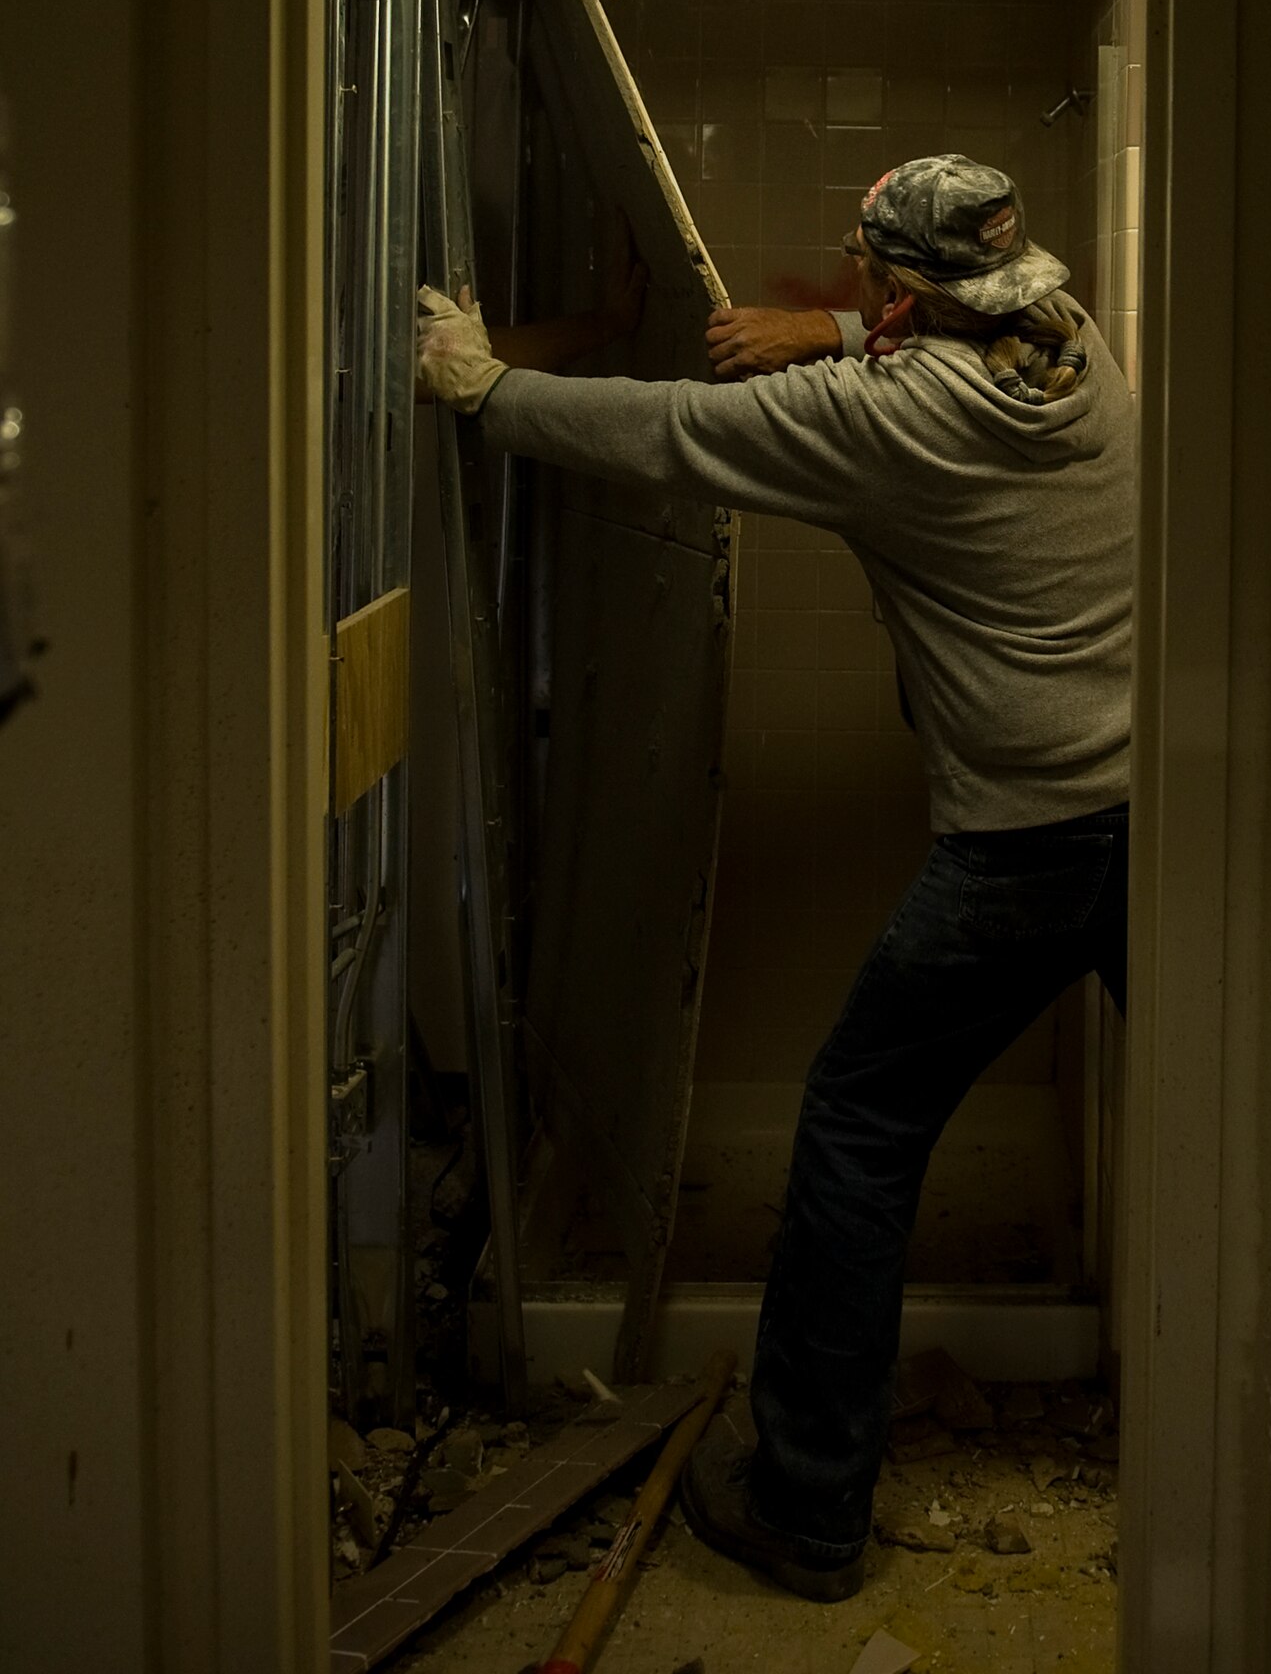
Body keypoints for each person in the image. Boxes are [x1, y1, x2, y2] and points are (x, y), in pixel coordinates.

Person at [416, 153, 1133, 1605]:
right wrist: (830, 324)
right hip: (1170, 811)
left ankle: (808, 1508)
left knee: (859, 1126)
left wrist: (483, 385)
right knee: (1232, 1119)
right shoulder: (1078, 346)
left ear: (890, 285)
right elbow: (931, 332)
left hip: (1026, 838)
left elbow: (672, 432)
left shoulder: (876, 420)